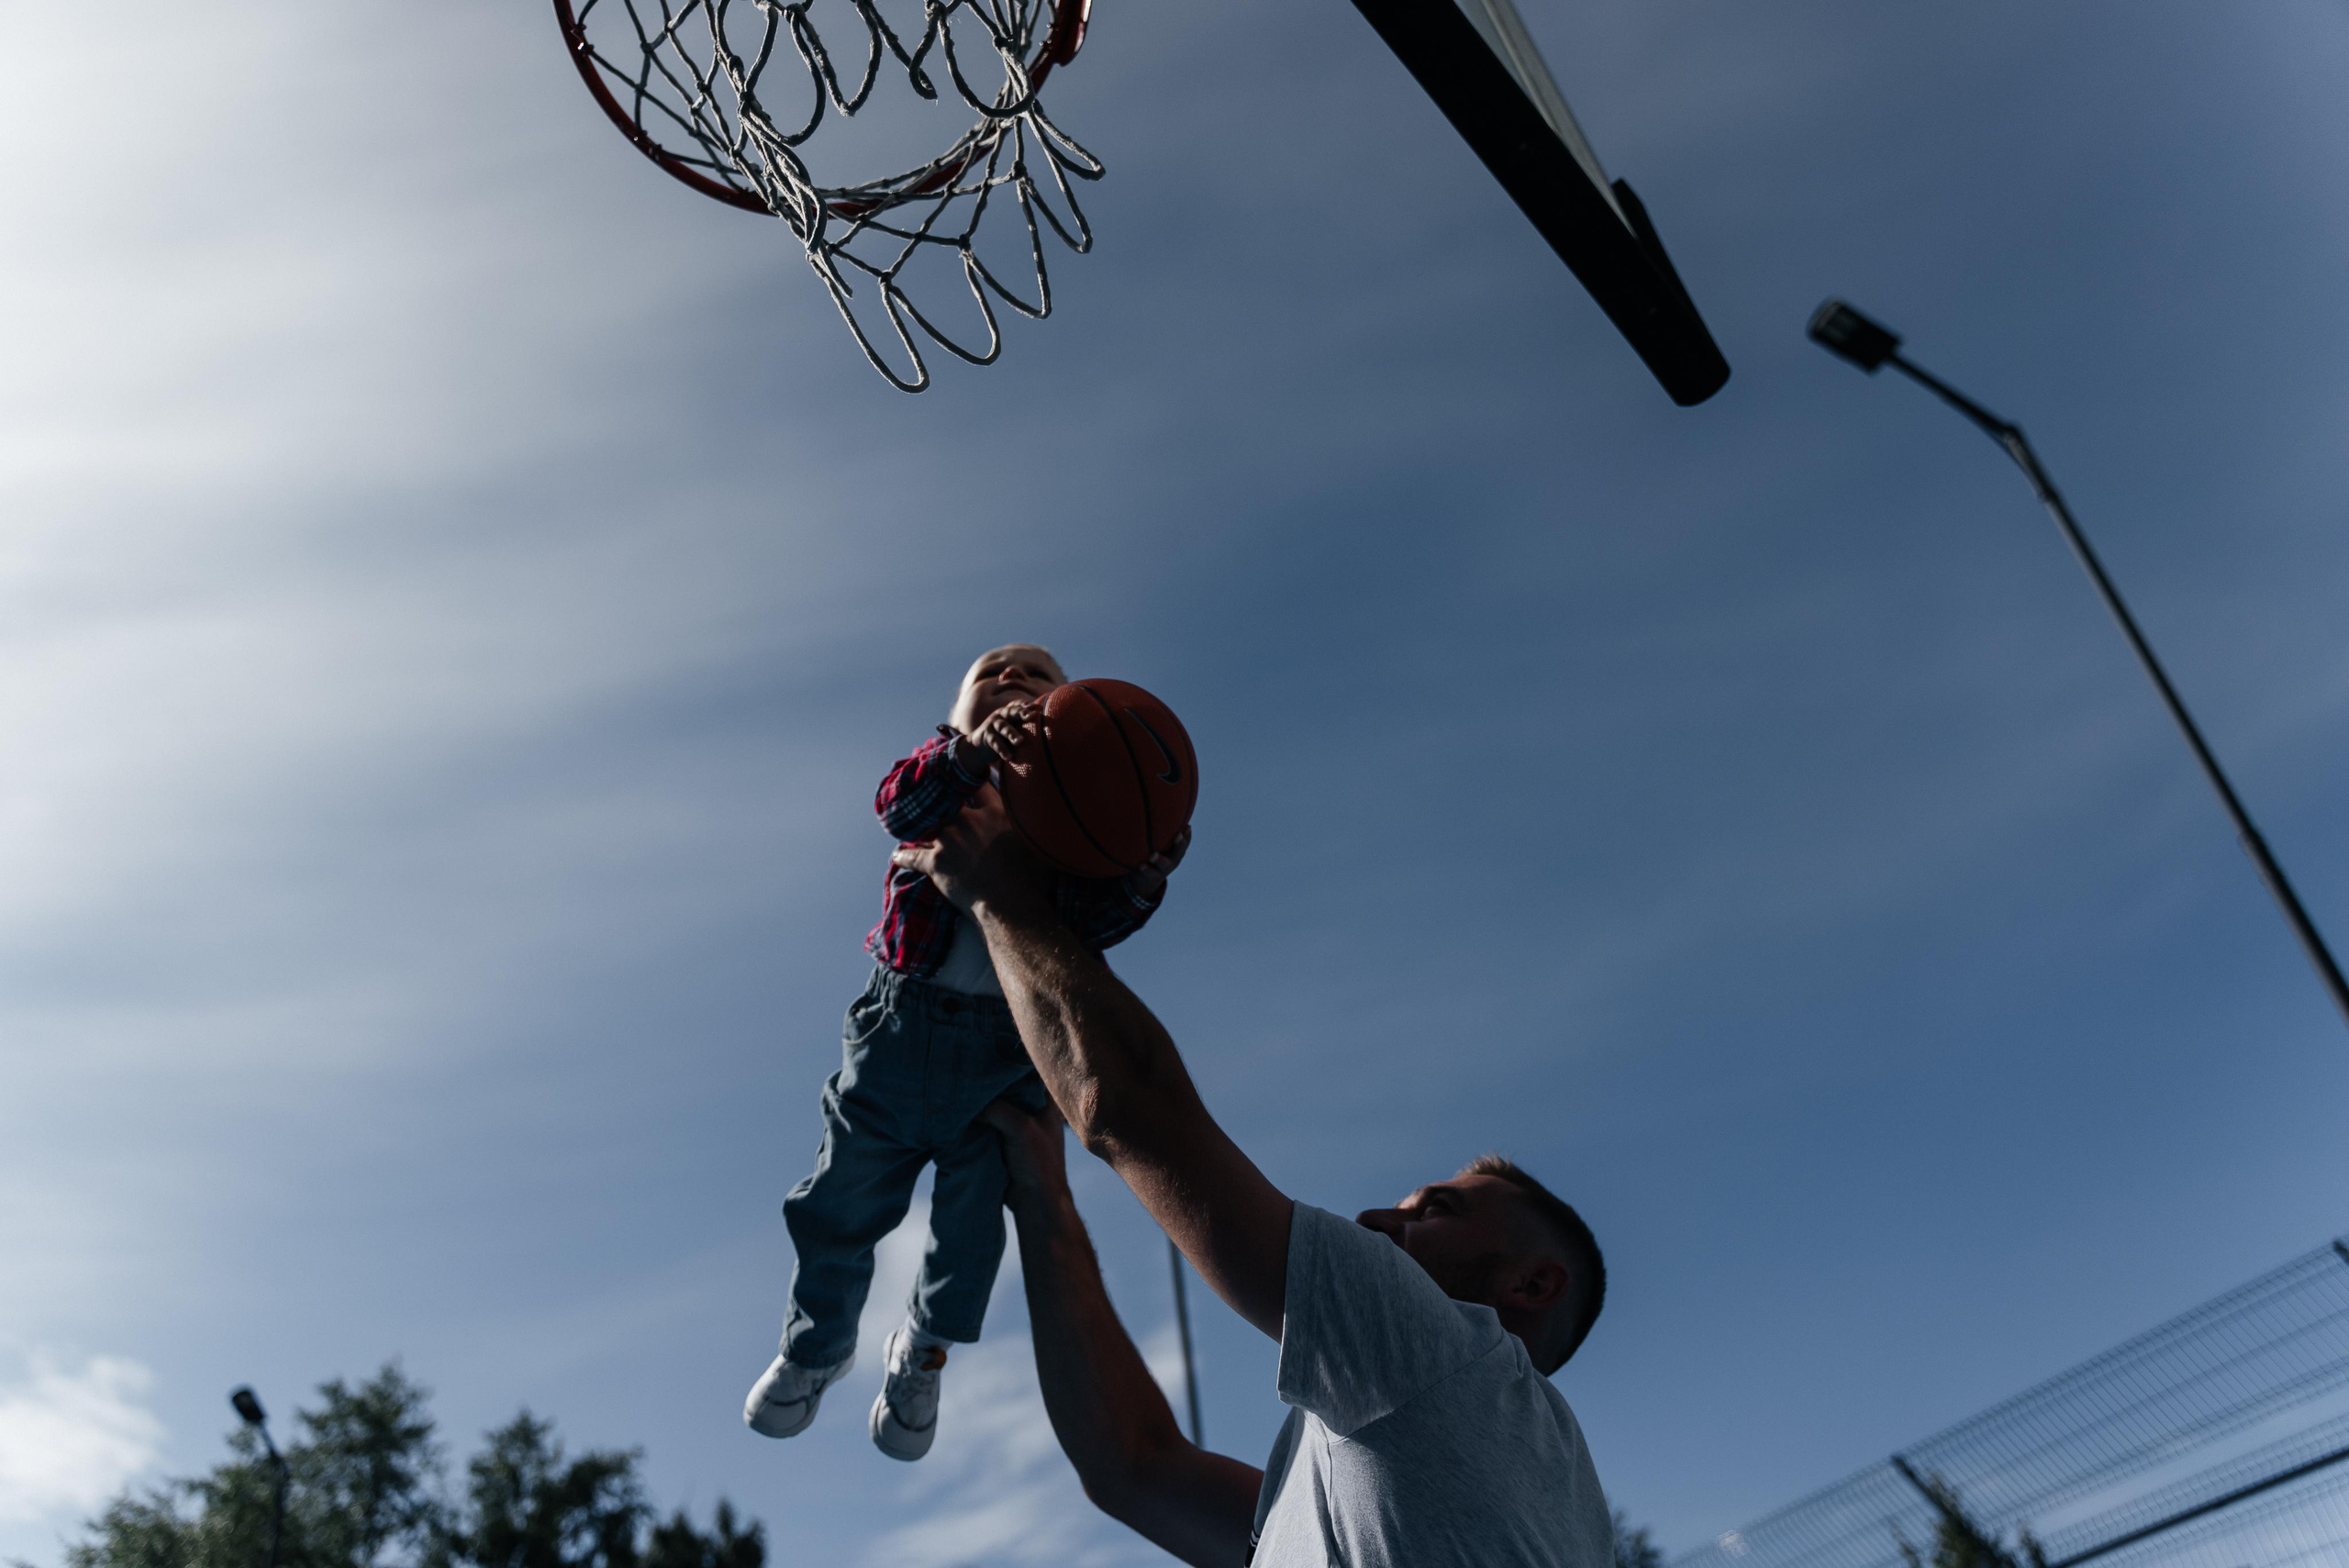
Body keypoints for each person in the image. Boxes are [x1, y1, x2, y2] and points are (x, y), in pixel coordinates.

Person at [895, 782, 1617, 1567]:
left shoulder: (1453, 1365)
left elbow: (1130, 1107)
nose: (1381, 1219)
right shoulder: (1408, 1453)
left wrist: (1000, 892)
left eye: (1435, 1209)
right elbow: (1132, 1463)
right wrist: (1044, 1197)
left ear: (1534, 1286)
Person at [742, 644, 1186, 1461]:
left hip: (1005, 1057)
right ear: (955, 718)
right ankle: (816, 1346)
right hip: (898, 1030)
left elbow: (1093, 930)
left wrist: (1143, 872)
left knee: (972, 1231)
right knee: (837, 1203)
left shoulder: (1072, 824)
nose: (1014, 675)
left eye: (1039, 676)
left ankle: (922, 1351)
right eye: (992, 674)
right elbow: (897, 805)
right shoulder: (944, 783)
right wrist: (971, 751)